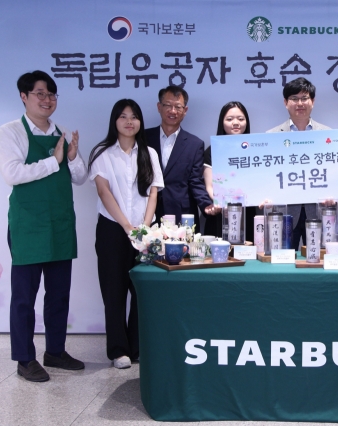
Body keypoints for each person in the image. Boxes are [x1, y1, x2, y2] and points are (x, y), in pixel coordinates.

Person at [0, 70, 86, 382]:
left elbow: (80, 177)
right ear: (24, 96)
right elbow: (12, 174)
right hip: (29, 226)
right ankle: (24, 359)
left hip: (60, 224)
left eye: (51, 94)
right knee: (24, 297)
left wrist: (71, 157)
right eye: (40, 94)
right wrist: (54, 160)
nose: (47, 100)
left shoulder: (60, 131)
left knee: (59, 294)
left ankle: (55, 351)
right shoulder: (10, 133)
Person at [88, 99, 164, 369]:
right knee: (114, 290)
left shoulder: (149, 153)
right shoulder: (102, 153)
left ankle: (137, 347)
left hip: (145, 231)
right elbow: (103, 192)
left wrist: (143, 228)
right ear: (114, 121)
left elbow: (153, 192)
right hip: (112, 230)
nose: (129, 121)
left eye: (134, 117)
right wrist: (127, 226)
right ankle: (118, 350)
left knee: (142, 289)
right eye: (123, 116)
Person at [267, 77, 331, 248]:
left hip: (318, 208)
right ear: (285, 102)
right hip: (285, 210)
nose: (300, 103)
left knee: (319, 258)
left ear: (313, 101)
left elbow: (334, 171)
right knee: (284, 262)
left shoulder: (329, 134)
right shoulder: (271, 136)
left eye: (304, 98)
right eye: (294, 99)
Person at [145, 85, 217, 230]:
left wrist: (206, 204)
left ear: (185, 111)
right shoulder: (143, 138)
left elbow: (195, 181)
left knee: (183, 253)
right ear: (159, 107)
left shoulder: (194, 144)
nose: (173, 111)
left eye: (178, 107)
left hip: (182, 215)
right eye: (168, 105)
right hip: (147, 212)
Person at [203, 101, 255, 238]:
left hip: (247, 213)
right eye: (230, 119)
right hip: (221, 213)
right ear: (222, 122)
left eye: (241, 119)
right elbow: (209, 186)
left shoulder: (256, 149)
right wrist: (222, 202)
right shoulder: (212, 150)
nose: (236, 123)